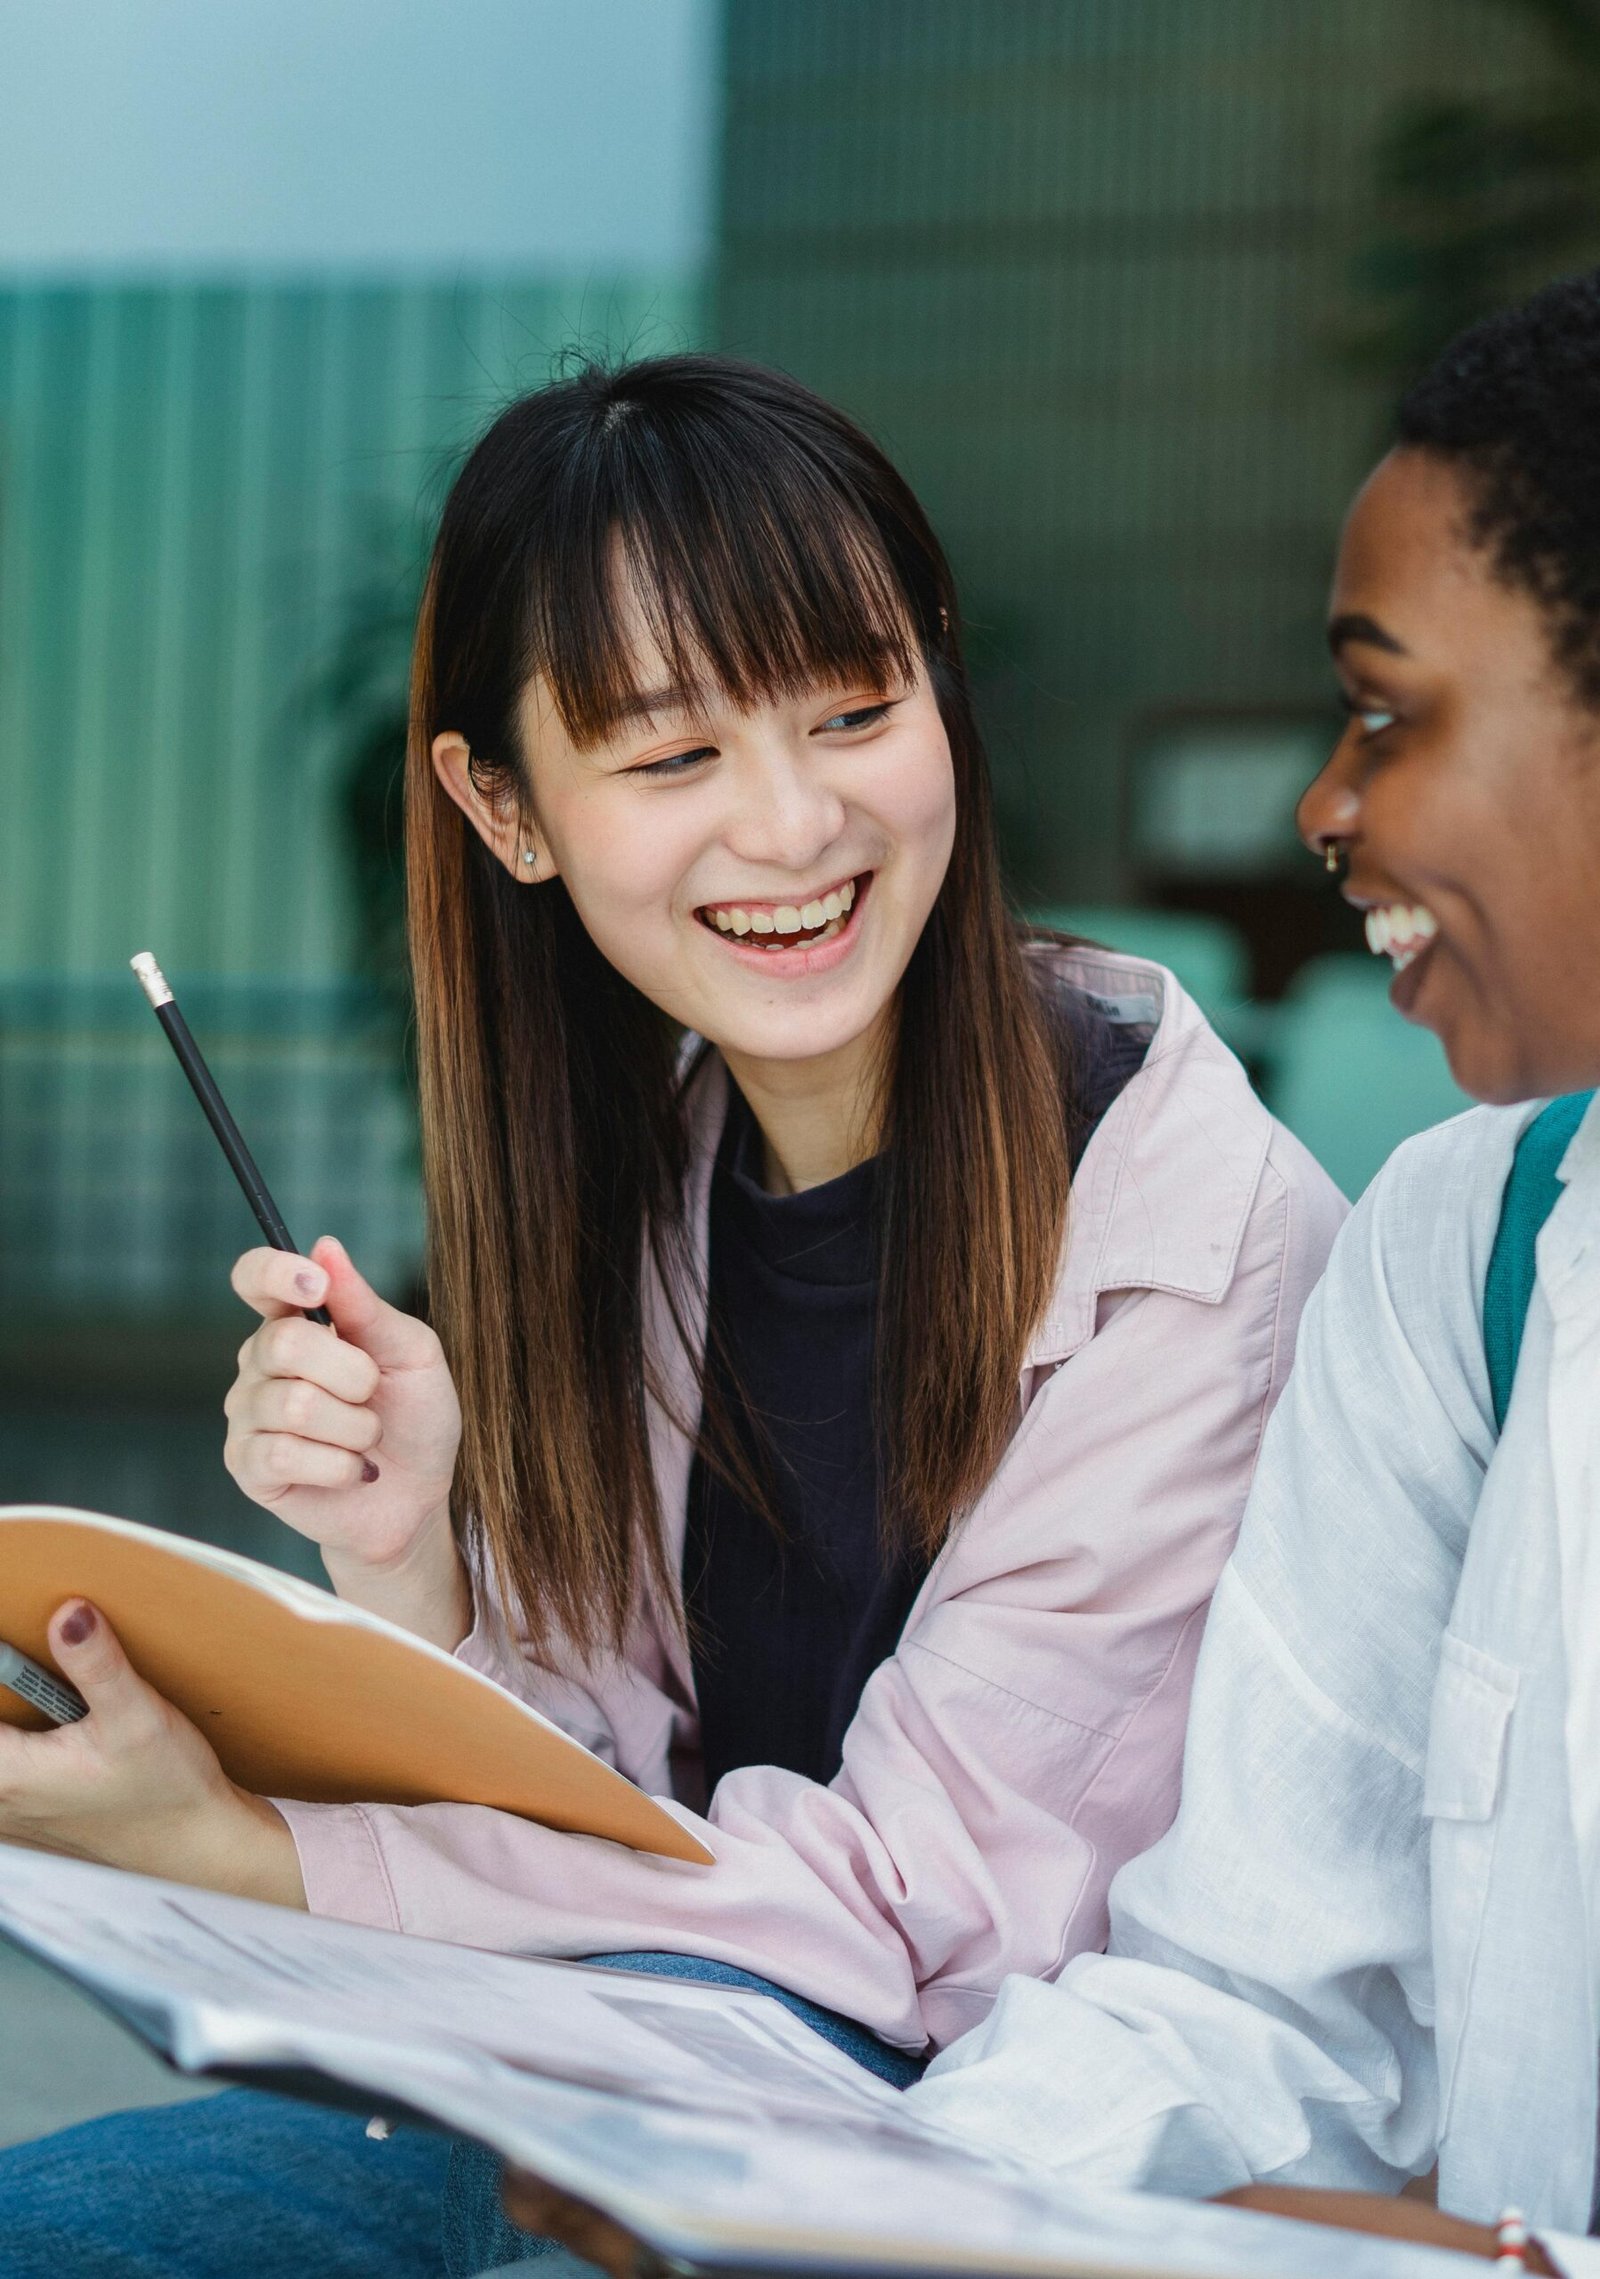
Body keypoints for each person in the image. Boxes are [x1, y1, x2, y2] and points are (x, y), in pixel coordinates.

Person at [0, 355, 1340, 2279]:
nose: (793, 829)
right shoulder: (660, 1179)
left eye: (855, 710)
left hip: (946, 2158)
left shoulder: (1204, 1249)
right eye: (671, 755)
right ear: (506, 807)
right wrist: (405, 1561)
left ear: (940, 686)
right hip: (607, 2074)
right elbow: (606, 1812)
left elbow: (907, 1923)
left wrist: (236, 1848)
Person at [880, 271, 1600, 2277]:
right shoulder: (1463, 1253)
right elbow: (1265, 2007)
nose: (1322, 809)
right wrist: (876, 2190)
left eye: (1385, 711)